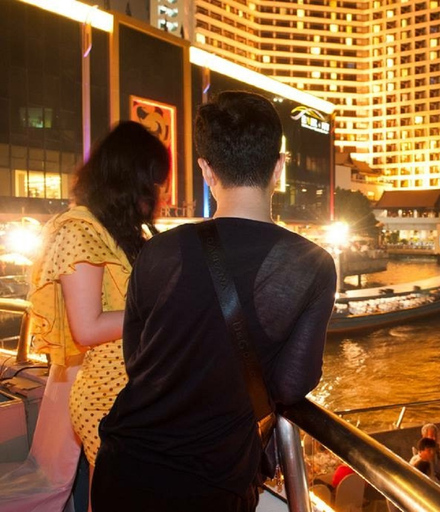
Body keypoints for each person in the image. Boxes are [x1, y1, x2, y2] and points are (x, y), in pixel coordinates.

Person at [92, 91, 338, 512]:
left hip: (122, 468)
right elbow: (290, 385)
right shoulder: (311, 265)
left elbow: (138, 360)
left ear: (206, 169)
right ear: (278, 167)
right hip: (212, 483)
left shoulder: (159, 251)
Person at [0, 121, 169, 512]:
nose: (159, 193)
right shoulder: (79, 231)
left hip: (132, 388)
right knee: (116, 495)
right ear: (132, 180)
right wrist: (160, 310)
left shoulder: (113, 229)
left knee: (111, 494)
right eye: (155, 182)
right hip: (107, 395)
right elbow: (87, 326)